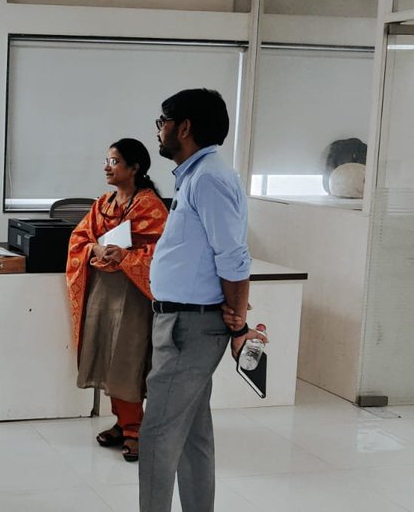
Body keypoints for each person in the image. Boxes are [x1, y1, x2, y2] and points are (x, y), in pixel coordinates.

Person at [139, 89, 267, 512]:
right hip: (186, 322)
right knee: (193, 435)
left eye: (163, 121)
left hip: (190, 327)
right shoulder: (197, 175)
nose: (159, 129)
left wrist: (238, 320)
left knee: (157, 434)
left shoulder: (208, 177)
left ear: (185, 127)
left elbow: (233, 255)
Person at [66, 137, 169, 462]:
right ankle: (121, 422)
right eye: (107, 161)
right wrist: (95, 248)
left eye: (114, 161)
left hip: (133, 293)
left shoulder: (150, 206)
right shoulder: (104, 203)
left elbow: (163, 251)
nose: (106, 167)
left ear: (134, 167)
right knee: (106, 354)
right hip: (103, 290)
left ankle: (135, 428)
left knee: (128, 356)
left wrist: (125, 256)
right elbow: (81, 236)